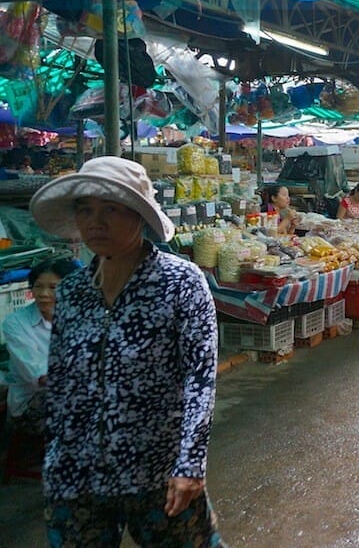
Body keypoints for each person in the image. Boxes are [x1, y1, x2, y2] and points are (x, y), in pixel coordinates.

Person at [28, 156, 223, 546]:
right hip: (79, 474)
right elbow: (62, 382)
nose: (95, 222)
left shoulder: (181, 283)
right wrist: (55, 459)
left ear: (139, 216)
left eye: (111, 210)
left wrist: (190, 464)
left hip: (159, 473)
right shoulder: (73, 291)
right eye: (85, 209)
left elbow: (200, 379)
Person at [1, 257, 79, 434]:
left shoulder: (77, 317)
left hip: (73, 394)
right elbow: (39, 376)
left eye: (53, 287)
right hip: (32, 405)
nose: (44, 293)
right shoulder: (16, 323)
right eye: (38, 286)